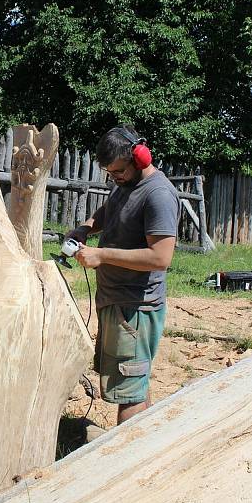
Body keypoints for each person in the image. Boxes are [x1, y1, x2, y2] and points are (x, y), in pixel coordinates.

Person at [67, 125, 180, 426]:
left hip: (136, 308)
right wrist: (87, 227)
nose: (113, 177)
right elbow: (110, 210)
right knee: (134, 382)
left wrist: (101, 255)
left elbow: (161, 257)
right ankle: (144, 444)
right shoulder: (126, 184)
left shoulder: (159, 195)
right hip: (116, 301)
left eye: (117, 170)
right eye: (109, 172)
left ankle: (123, 462)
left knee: (128, 391)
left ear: (139, 158)